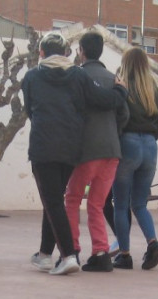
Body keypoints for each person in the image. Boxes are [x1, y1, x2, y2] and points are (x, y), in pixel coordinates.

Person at [21, 32, 128, 276]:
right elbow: (103, 99)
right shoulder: (78, 75)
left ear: (41, 52)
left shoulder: (31, 77)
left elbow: (30, 110)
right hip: (71, 148)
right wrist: (121, 91)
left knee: (54, 201)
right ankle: (45, 255)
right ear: (67, 53)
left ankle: (68, 255)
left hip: (43, 146)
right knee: (54, 199)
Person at [63, 31, 128, 273]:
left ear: (81, 51)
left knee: (72, 198)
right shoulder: (114, 79)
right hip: (112, 149)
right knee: (97, 203)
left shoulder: (76, 78)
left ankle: (72, 249)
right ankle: (101, 251)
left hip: (86, 149)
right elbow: (124, 115)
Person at [112, 47, 158, 270]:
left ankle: (124, 255)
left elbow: (118, 116)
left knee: (120, 205)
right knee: (139, 203)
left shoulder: (122, 86)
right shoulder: (155, 90)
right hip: (150, 146)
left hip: (128, 143)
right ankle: (152, 242)